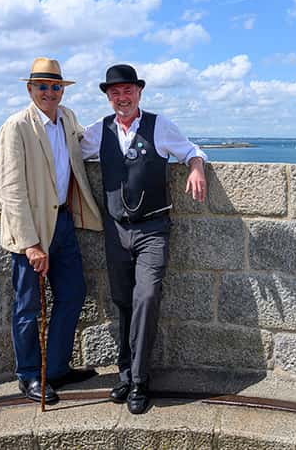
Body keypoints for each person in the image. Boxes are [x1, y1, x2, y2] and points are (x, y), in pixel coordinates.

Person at [81, 64, 207, 414]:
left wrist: (196, 167)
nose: (122, 97)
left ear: (139, 92)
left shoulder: (159, 125)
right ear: (108, 96)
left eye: (128, 91)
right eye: (115, 92)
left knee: (147, 297)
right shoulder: (97, 131)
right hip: (115, 229)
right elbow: (67, 156)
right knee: (122, 302)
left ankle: (139, 381)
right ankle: (124, 373)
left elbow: (191, 150)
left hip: (153, 229)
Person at [0, 57, 103, 404]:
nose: (50, 92)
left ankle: (55, 367)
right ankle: (29, 376)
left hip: (64, 222)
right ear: (30, 89)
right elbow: (10, 189)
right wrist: (29, 244)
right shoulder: (16, 126)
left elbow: (89, 143)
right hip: (33, 232)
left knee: (72, 295)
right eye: (42, 86)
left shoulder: (68, 118)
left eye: (56, 86)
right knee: (28, 307)